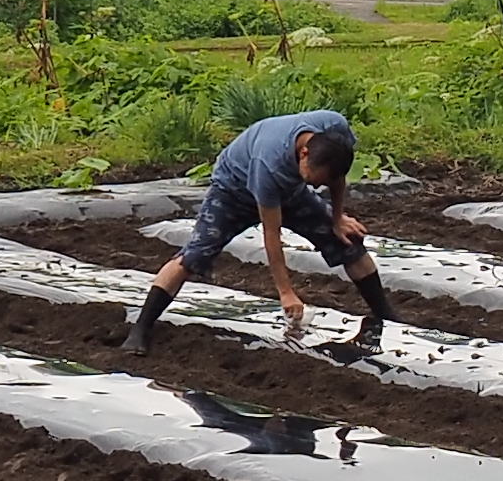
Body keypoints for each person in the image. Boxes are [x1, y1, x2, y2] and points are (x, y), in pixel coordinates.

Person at [125, 106, 386, 349]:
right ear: (304, 153)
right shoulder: (269, 164)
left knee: (347, 239)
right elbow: (272, 234)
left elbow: (336, 177)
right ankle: (140, 329)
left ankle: (387, 315)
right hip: (233, 192)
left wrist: (337, 218)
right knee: (195, 255)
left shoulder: (334, 130)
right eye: (313, 180)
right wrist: (286, 293)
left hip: (291, 191)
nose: (317, 187)